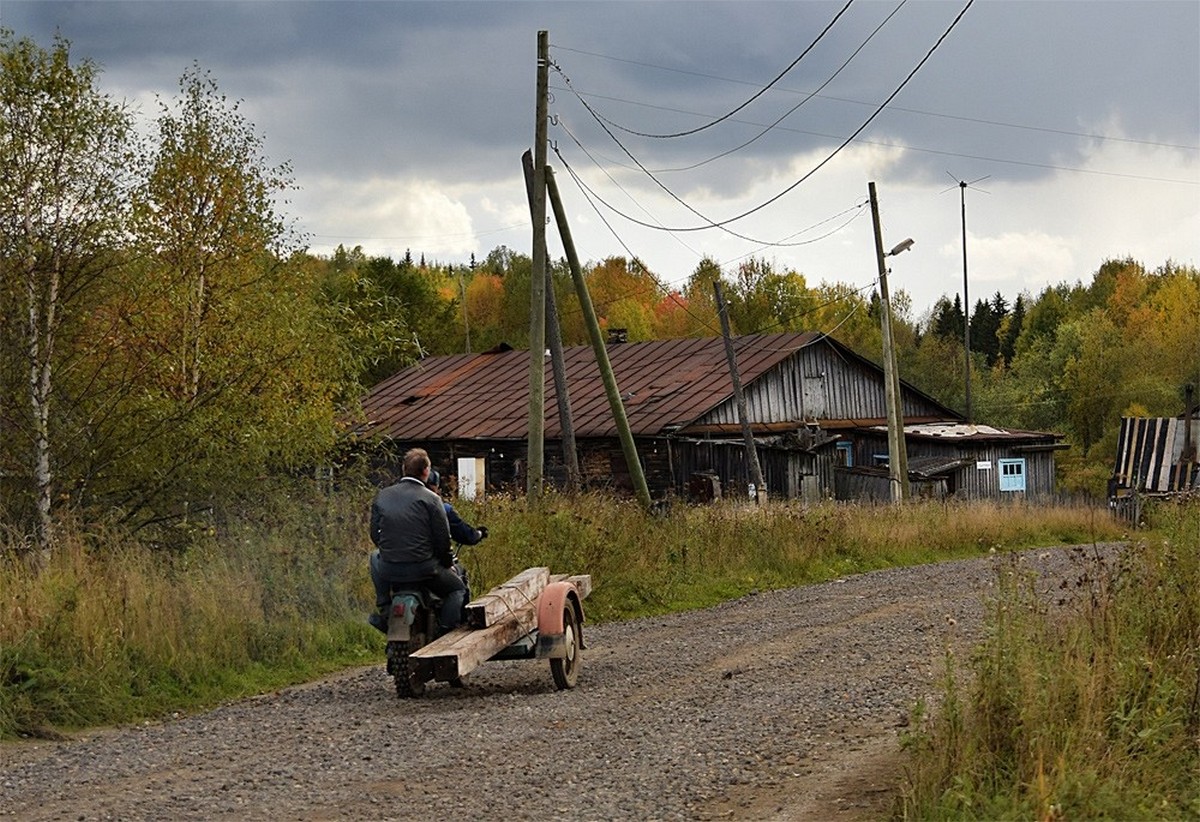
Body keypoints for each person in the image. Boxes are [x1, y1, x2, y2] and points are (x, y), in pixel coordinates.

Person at [368, 448, 466, 635]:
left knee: (374, 556)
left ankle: (385, 609)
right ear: (426, 471)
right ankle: (445, 634)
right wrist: (447, 563)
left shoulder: (382, 496)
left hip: (390, 569)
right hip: (424, 569)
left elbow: (375, 535)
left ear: (403, 468)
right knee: (457, 590)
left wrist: (391, 552)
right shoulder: (432, 499)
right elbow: (442, 540)